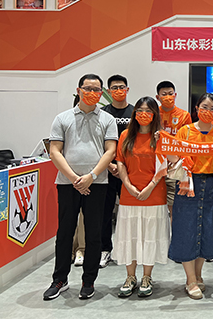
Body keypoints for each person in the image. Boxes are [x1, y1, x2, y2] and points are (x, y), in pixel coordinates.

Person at [43, 74, 118, 301]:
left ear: (101, 93)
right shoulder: (62, 118)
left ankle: (88, 281)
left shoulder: (107, 119)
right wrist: (76, 178)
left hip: (97, 184)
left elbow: (110, 151)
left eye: (97, 90)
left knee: (94, 234)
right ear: (79, 90)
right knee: (65, 232)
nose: (92, 93)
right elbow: (54, 151)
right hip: (67, 184)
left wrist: (91, 177)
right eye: (88, 89)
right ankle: (60, 279)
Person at [167, 93, 213, 300]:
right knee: (186, 229)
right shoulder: (185, 131)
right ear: (197, 108)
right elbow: (173, 157)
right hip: (187, 184)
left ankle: (198, 274)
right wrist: (163, 144)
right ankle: (190, 279)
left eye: (212, 108)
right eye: (204, 107)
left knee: (206, 229)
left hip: (211, 185)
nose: (208, 111)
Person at [112, 97, 169, 298]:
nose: (143, 114)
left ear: (155, 115)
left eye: (148, 111)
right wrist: (128, 185)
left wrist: (150, 187)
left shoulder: (160, 137)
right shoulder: (126, 135)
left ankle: (146, 277)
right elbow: (120, 162)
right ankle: (130, 277)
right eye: (140, 110)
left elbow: (164, 166)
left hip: (154, 195)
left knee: (149, 237)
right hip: (129, 195)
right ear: (134, 113)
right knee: (130, 236)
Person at [100, 75, 134, 268]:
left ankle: (130, 251)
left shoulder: (135, 112)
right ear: (108, 91)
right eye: (114, 88)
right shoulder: (103, 113)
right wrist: (109, 165)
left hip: (129, 172)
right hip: (107, 171)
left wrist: (123, 166)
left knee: (130, 213)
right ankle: (105, 249)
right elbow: (98, 142)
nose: (118, 90)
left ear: (127, 89)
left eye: (122, 87)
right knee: (105, 212)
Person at [155, 81, 192, 215]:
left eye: (170, 94)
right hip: (155, 165)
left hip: (175, 166)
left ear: (175, 95)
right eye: (164, 94)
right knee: (156, 204)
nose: (168, 97)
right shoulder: (153, 114)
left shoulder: (184, 115)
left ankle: (172, 229)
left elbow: (187, 142)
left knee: (173, 205)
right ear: (157, 97)